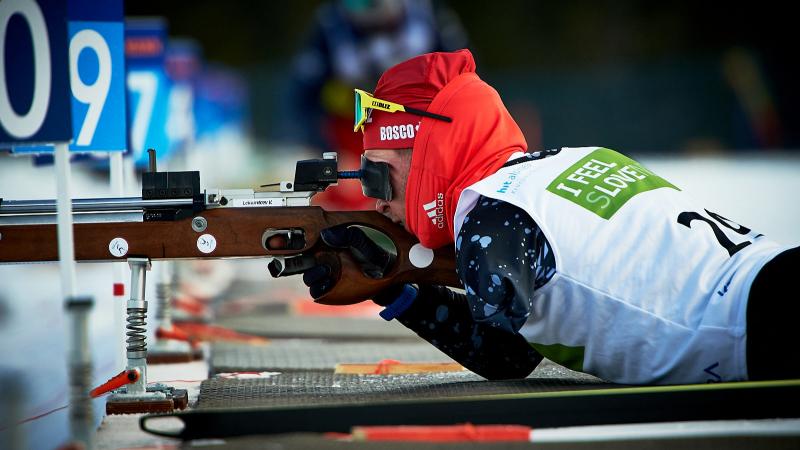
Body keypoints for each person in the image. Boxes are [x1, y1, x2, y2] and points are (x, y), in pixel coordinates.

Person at [273, 49, 799, 384]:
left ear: (430, 150)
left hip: (760, 324)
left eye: (378, 176)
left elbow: (506, 357)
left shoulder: (492, 219)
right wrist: (393, 281)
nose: (375, 200)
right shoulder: (569, 160)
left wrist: (393, 287)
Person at [286, 0, 467, 210]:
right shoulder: (331, 25)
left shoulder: (428, 16)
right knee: (351, 198)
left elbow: (465, 79)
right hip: (355, 131)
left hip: (420, 125)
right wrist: (329, 151)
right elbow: (302, 98)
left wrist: (452, 137)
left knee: (431, 193)